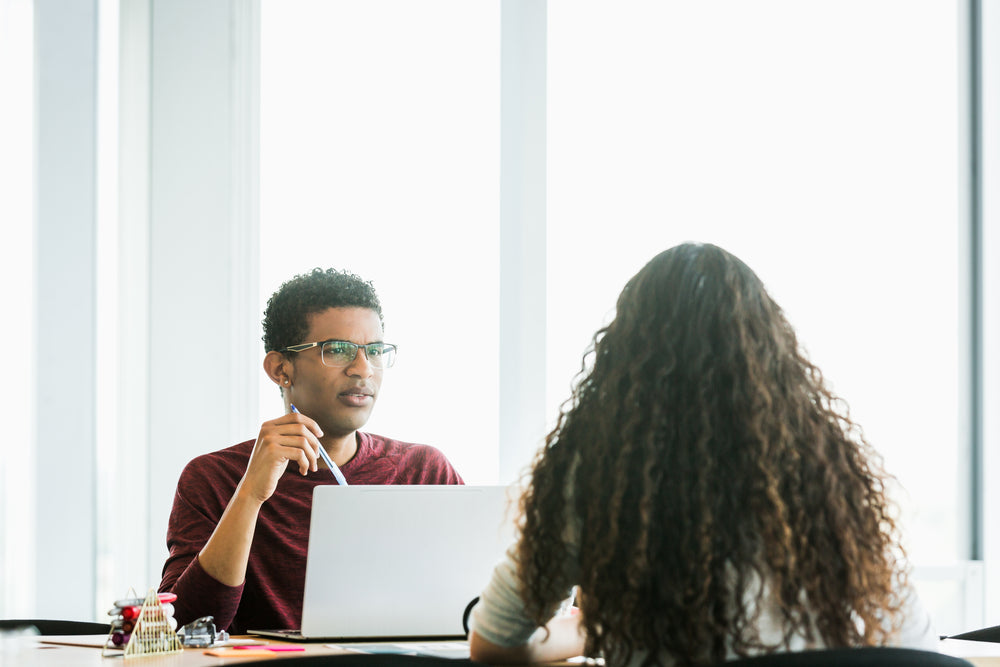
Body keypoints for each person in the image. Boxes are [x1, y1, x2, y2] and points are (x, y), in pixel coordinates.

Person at [468, 243, 937, 666]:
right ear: (768, 351)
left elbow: (492, 641)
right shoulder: (822, 470)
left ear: (627, 354)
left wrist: (595, 629)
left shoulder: (597, 476)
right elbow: (917, 651)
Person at [160, 268, 463, 633]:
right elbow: (184, 627)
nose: (362, 369)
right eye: (337, 350)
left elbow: (479, 605)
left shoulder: (423, 472)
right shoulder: (213, 478)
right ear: (280, 369)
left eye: (375, 351)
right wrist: (251, 495)